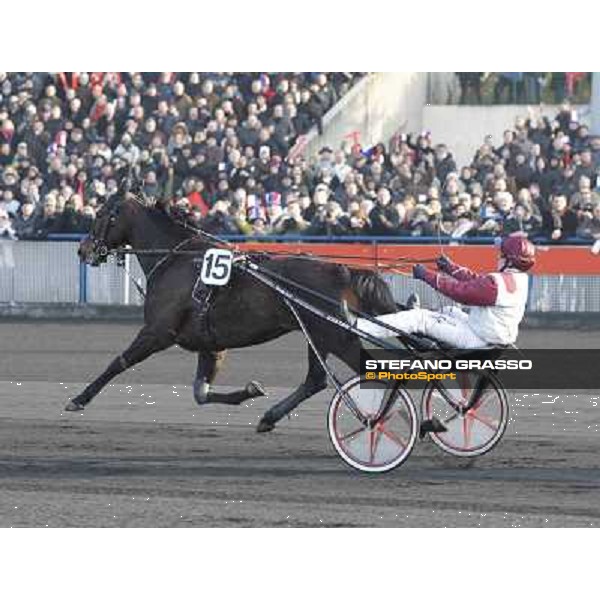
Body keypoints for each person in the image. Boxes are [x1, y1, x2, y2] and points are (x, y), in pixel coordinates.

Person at [346, 236, 536, 349]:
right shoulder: (517, 280)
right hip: (487, 333)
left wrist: (426, 275)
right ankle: (420, 326)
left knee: (418, 318)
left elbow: (460, 292)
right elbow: (476, 282)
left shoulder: (497, 284)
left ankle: (357, 327)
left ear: (509, 260)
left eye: (502, 254)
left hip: (478, 339)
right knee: (449, 312)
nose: (499, 256)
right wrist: (450, 268)